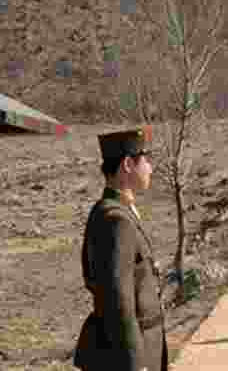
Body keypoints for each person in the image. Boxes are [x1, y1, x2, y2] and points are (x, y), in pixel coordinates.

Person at [74, 127, 169, 371]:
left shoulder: (112, 211)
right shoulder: (116, 220)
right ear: (128, 164)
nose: (150, 167)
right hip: (131, 358)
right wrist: (136, 365)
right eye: (145, 160)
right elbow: (119, 303)